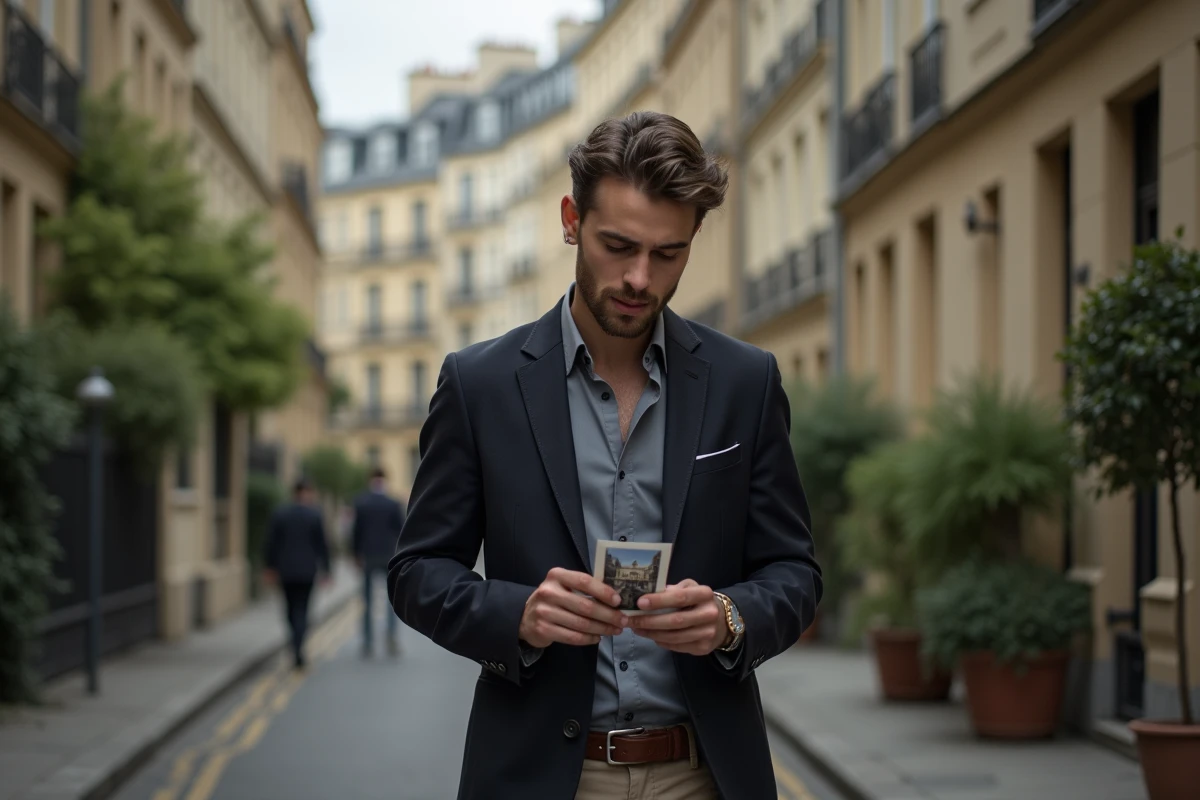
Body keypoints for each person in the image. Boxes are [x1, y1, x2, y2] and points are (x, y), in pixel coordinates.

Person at [388, 111, 822, 800]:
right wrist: (517, 615)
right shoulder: (480, 386)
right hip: (541, 776)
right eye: (618, 246)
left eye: (668, 254)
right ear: (571, 219)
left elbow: (795, 572)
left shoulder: (747, 381)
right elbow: (416, 572)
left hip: (703, 773)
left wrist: (730, 619)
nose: (640, 279)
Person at [263, 478, 332, 670]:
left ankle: (295, 644)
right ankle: (298, 648)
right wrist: (327, 570)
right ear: (308, 493)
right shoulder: (315, 515)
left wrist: (269, 567)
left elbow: (271, 543)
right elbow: (323, 546)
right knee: (302, 609)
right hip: (307, 571)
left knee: (290, 610)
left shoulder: (280, 514)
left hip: (286, 571)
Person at [352, 467, 406, 656]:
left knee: (367, 600)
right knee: (391, 600)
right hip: (389, 556)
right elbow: (401, 532)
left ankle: (368, 642)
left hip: (368, 555)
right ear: (385, 480)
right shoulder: (393, 503)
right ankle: (390, 637)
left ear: (370, 479)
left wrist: (355, 554)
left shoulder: (361, 502)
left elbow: (356, 532)